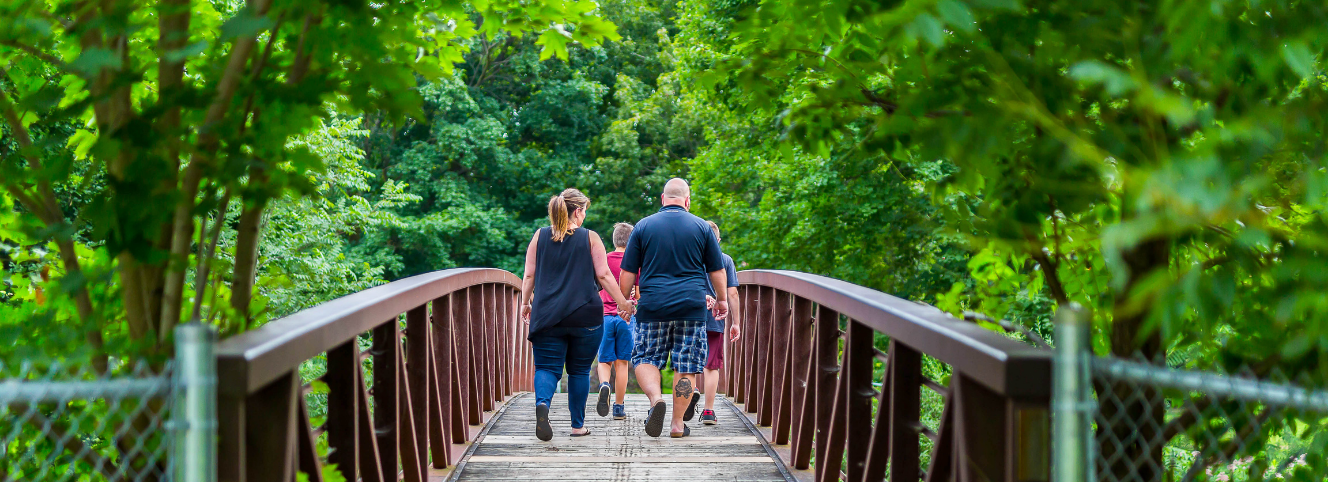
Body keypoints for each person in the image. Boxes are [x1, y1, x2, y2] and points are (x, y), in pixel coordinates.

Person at [519, 188, 635, 441]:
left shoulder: (539, 237)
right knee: (579, 371)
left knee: (547, 368)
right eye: (584, 211)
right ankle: (577, 426)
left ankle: (543, 406)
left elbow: (528, 275)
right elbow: (604, 275)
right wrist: (622, 303)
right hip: (585, 316)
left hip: (547, 315)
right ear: (578, 211)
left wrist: (526, 302)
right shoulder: (591, 238)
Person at [618, 178, 729, 438]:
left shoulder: (643, 226)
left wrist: (625, 301)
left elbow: (627, 270)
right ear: (687, 201)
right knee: (687, 365)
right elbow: (717, 269)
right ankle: (677, 424)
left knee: (646, 358)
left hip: (653, 305)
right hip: (691, 307)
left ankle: (657, 400)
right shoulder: (701, 227)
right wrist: (721, 300)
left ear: (662, 198)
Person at [695, 220, 741, 425]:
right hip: (715, 319)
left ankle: (691, 393)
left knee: (689, 361)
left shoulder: (691, 257)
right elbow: (732, 293)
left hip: (690, 316)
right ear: (718, 240)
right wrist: (736, 322)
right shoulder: (725, 260)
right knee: (711, 366)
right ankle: (708, 411)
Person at [595, 222, 637, 420]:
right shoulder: (635, 262)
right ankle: (619, 407)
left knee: (604, 361)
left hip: (604, 317)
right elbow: (640, 291)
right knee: (622, 363)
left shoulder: (603, 261)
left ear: (615, 240)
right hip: (626, 318)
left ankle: (604, 385)